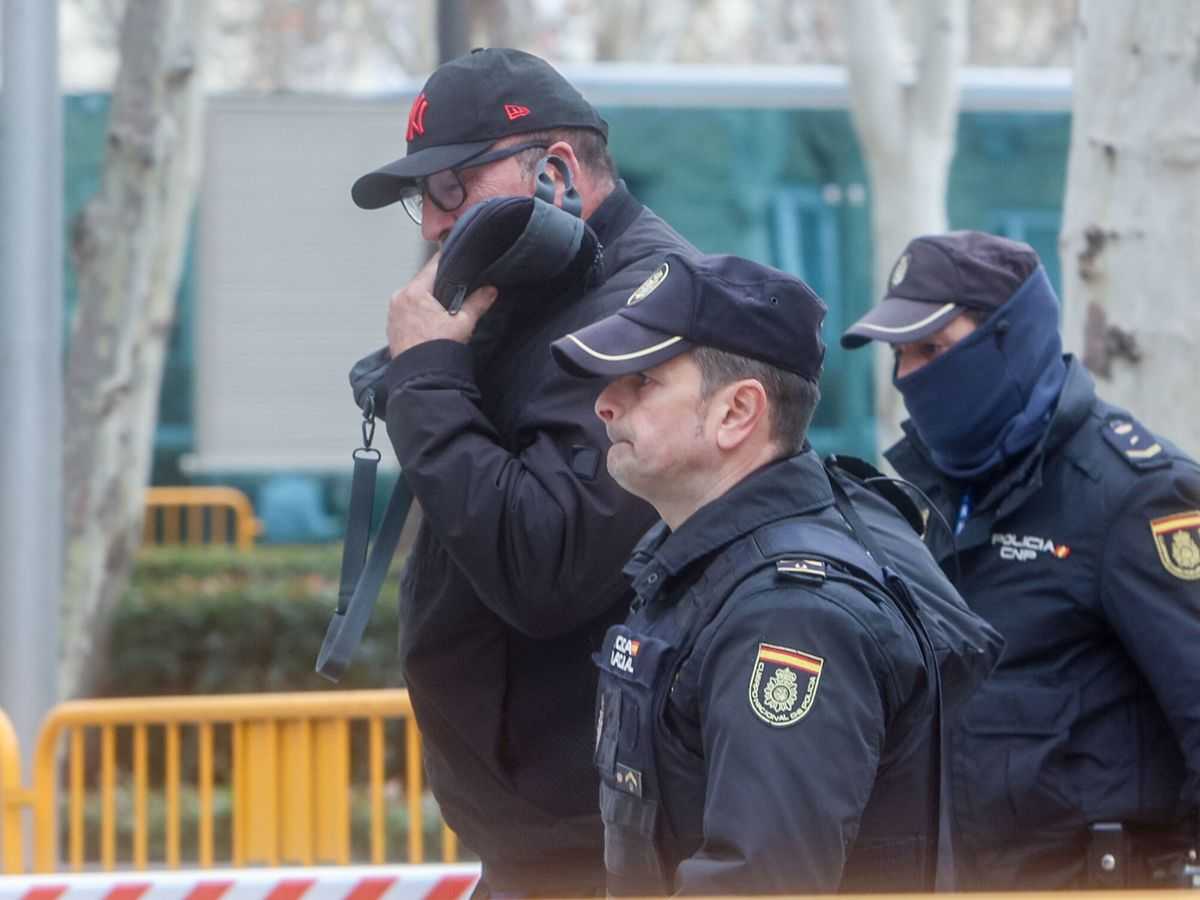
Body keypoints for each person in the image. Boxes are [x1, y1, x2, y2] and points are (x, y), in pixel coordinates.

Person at [348, 48, 696, 895]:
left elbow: (544, 564)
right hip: (553, 835)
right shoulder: (537, 294)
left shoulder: (644, 310)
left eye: (453, 186)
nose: (434, 222)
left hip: (610, 845)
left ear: (557, 172)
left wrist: (428, 377)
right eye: (424, 198)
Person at [549, 252, 1000, 894]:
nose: (604, 404)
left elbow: (759, 882)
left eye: (642, 380)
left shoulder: (790, 615)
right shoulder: (705, 566)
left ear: (737, 412)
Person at [841, 230, 1200, 889]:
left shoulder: (1134, 494)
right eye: (899, 355)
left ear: (1011, 339)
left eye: (931, 350)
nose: (908, 377)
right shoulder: (919, 498)